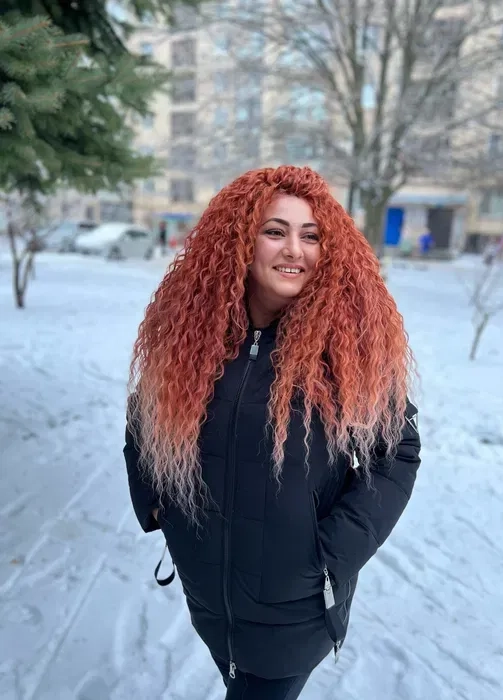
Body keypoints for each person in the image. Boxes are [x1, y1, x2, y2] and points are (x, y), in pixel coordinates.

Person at [124, 166, 421, 699]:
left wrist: (329, 556)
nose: (295, 250)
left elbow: (397, 454)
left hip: (295, 611)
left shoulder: (347, 348)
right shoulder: (193, 339)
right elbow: (144, 420)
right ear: (239, 241)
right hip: (210, 598)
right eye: (275, 231)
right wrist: (159, 508)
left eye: (311, 236)